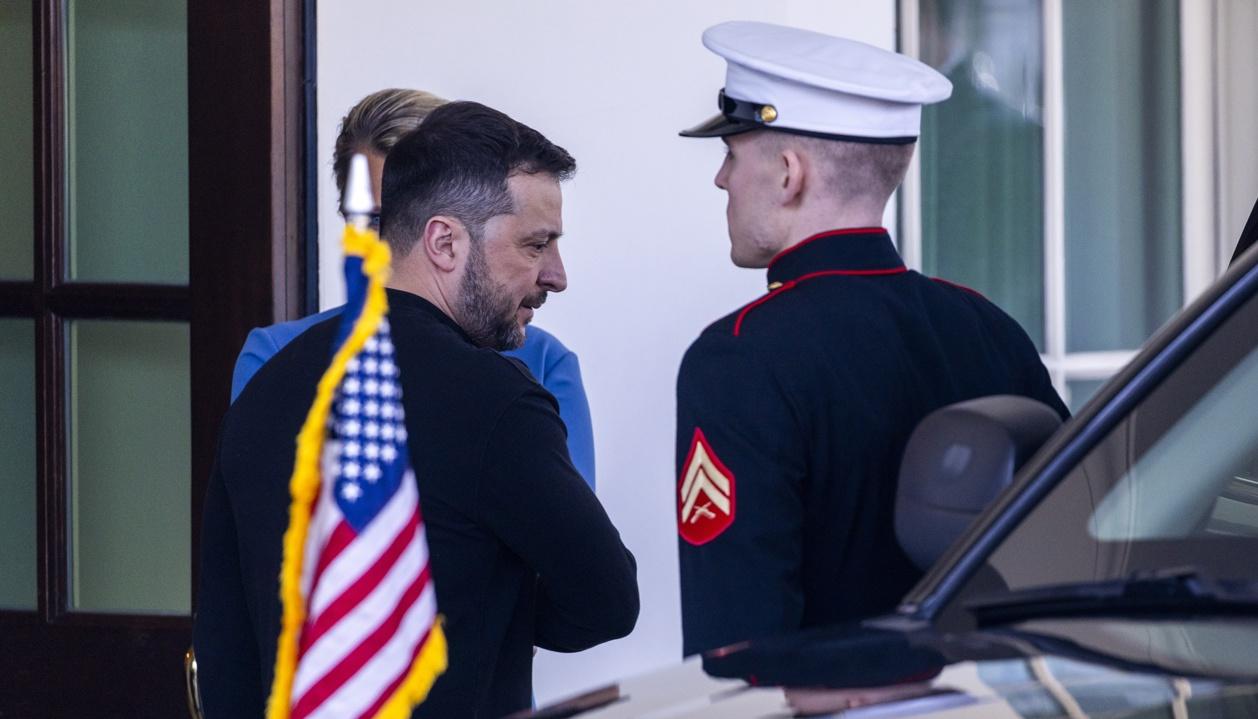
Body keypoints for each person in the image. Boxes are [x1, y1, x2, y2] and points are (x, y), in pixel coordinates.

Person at [194, 101, 639, 717]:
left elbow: (226, 638)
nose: (556, 275)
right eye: (536, 244)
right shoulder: (500, 400)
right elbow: (606, 599)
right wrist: (487, 596)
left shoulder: (268, 387)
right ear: (445, 241)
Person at [673, 21, 1069, 657]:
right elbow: (1068, 547)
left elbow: (737, 638)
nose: (721, 180)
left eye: (732, 154)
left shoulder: (740, 357)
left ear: (788, 175)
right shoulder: (989, 329)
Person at [231, 88, 597, 486]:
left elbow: (571, 538)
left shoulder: (544, 361)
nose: (396, 245)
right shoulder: (277, 357)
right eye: (375, 222)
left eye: (416, 219)